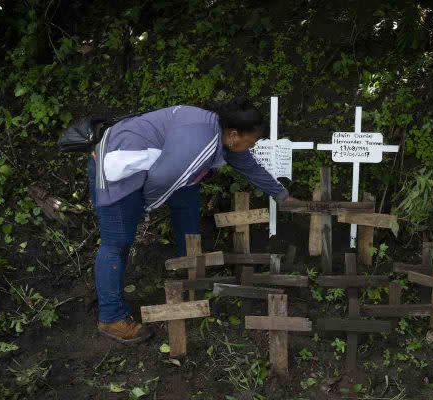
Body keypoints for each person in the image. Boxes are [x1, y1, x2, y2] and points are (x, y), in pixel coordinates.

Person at [87, 98, 293, 344]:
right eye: (253, 140)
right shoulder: (200, 145)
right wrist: (143, 209)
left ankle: (190, 268)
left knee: (188, 197)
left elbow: (246, 164)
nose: (253, 145)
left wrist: (281, 195)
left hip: (153, 159)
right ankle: (111, 317)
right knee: (117, 241)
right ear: (235, 134)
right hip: (118, 164)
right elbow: (161, 181)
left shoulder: (218, 131)